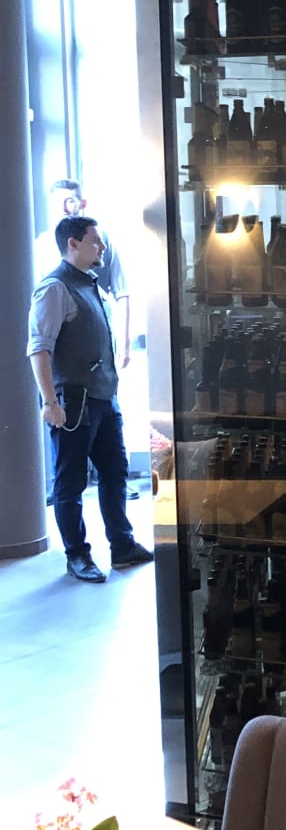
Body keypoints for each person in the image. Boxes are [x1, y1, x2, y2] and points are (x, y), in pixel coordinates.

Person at [26, 215, 152, 583]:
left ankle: (122, 546)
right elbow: (38, 349)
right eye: (95, 240)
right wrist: (50, 402)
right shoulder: (55, 288)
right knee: (71, 482)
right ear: (73, 244)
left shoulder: (89, 282)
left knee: (115, 472)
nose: (102, 247)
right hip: (74, 401)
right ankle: (77, 555)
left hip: (103, 397)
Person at [36, 179, 130, 371]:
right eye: (58, 201)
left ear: (82, 203)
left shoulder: (102, 241)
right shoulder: (43, 245)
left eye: (70, 200)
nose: (64, 208)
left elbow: (122, 292)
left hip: (98, 330)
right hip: (61, 336)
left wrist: (124, 344)